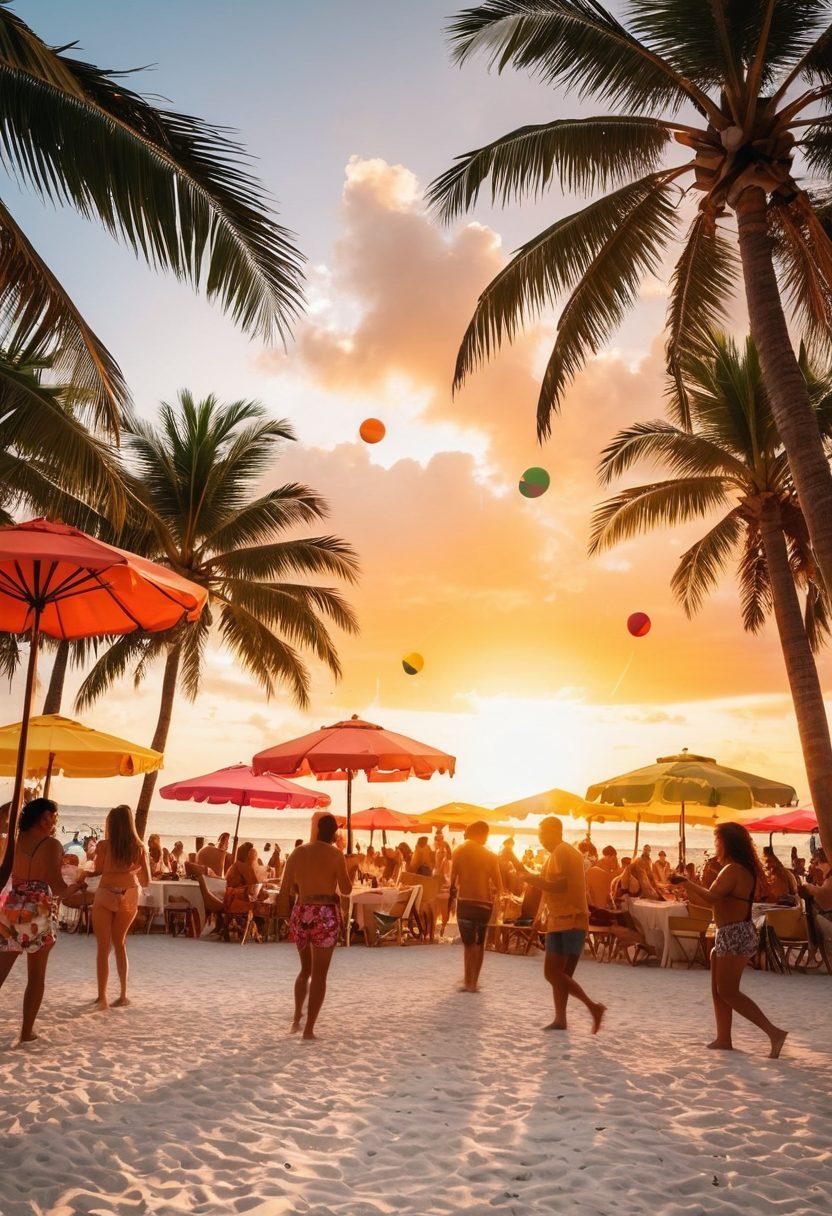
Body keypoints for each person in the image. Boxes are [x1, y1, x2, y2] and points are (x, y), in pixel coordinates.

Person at [680, 822, 787, 1058]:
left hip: (735, 933)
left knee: (728, 991)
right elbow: (710, 902)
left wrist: (687, 881)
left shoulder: (733, 870)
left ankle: (774, 1032)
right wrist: (687, 883)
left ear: (727, 843)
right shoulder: (735, 868)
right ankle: (723, 1038)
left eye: (717, 841)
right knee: (718, 991)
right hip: (727, 932)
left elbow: (711, 898)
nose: (715, 846)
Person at [0, 798, 87, 1042]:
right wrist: (77, 885)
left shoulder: (13, 842)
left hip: (13, 906)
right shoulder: (52, 845)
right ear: (42, 818)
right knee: (36, 975)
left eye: (55, 819)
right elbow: (58, 889)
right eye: (51, 818)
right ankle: (26, 1032)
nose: (53, 823)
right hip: (37, 911)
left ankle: (27, 1031)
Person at [513, 817, 605, 1034]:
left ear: (555, 832)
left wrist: (530, 880)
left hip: (572, 919)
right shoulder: (553, 856)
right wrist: (514, 861)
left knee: (553, 974)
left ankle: (593, 1007)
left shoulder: (564, 852)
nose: (541, 838)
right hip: (558, 919)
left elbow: (558, 886)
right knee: (559, 976)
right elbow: (540, 881)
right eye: (539, 834)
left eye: (543, 833)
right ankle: (561, 1019)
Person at [277, 813, 351, 1040]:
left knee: (304, 970)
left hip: (302, 912)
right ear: (335, 833)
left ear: (317, 829)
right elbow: (346, 889)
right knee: (320, 975)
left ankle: (296, 1018)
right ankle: (308, 1029)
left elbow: (284, 889)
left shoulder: (299, 853)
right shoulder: (336, 855)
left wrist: (284, 918)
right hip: (325, 914)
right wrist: (352, 868)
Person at [91, 805, 150, 1010]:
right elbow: (147, 880)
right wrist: (133, 869)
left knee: (103, 947)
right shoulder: (139, 847)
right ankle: (123, 995)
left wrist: (82, 874)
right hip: (130, 894)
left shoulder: (104, 845)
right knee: (120, 943)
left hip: (106, 893)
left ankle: (102, 997)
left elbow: (97, 871)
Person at [449, 821, 502, 993]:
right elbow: (498, 885)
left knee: (468, 944)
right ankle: (474, 983)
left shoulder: (458, 852)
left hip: (465, 902)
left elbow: (452, 882)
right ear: (482, 834)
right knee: (480, 942)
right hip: (484, 905)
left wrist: (450, 901)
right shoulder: (491, 856)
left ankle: (467, 981)